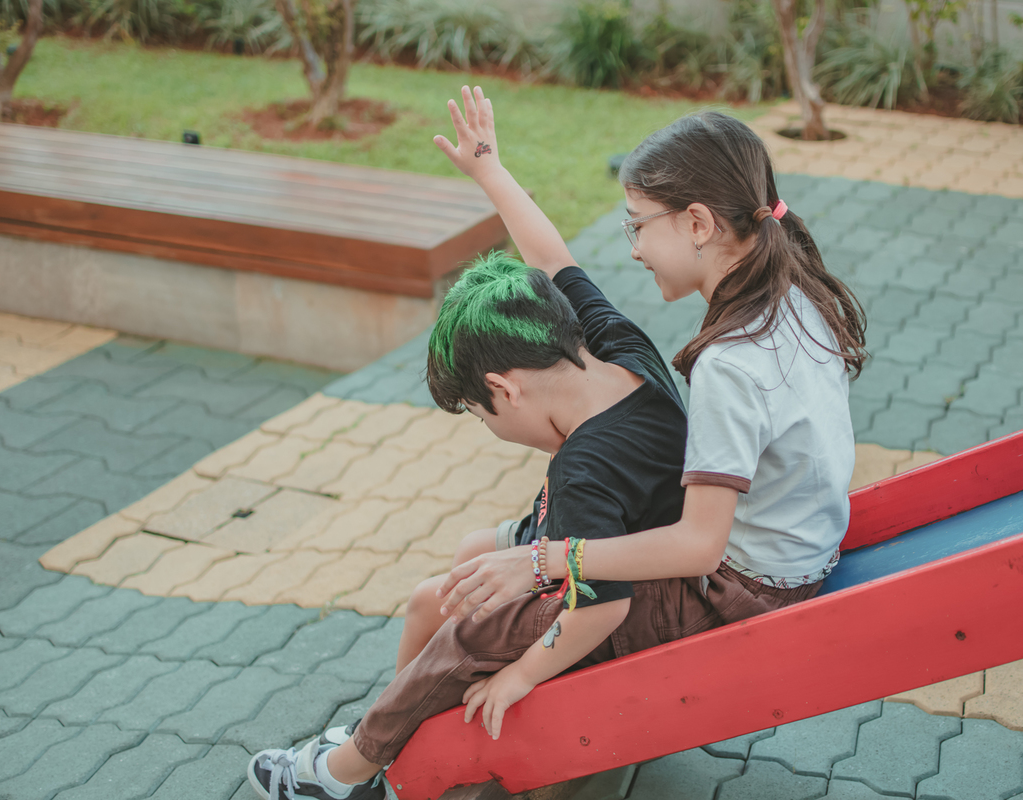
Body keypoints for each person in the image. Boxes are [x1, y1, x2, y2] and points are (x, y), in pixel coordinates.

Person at [246, 88, 691, 800]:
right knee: (466, 560)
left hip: (608, 573)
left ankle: (377, 757)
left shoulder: (584, 468)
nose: (493, 430)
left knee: (434, 603)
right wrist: (489, 168)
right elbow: (551, 257)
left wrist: (521, 675)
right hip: (607, 535)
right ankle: (406, 728)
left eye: (483, 414)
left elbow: (601, 606)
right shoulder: (616, 349)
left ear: (506, 389)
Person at [436, 90, 867, 644]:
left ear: (697, 224)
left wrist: (547, 561)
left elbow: (697, 547)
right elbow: (556, 265)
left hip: (736, 587)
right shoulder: (791, 289)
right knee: (479, 560)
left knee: (475, 626)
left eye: (637, 225)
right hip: (801, 553)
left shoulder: (730, 362)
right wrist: (488, 170)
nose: (634, 248)